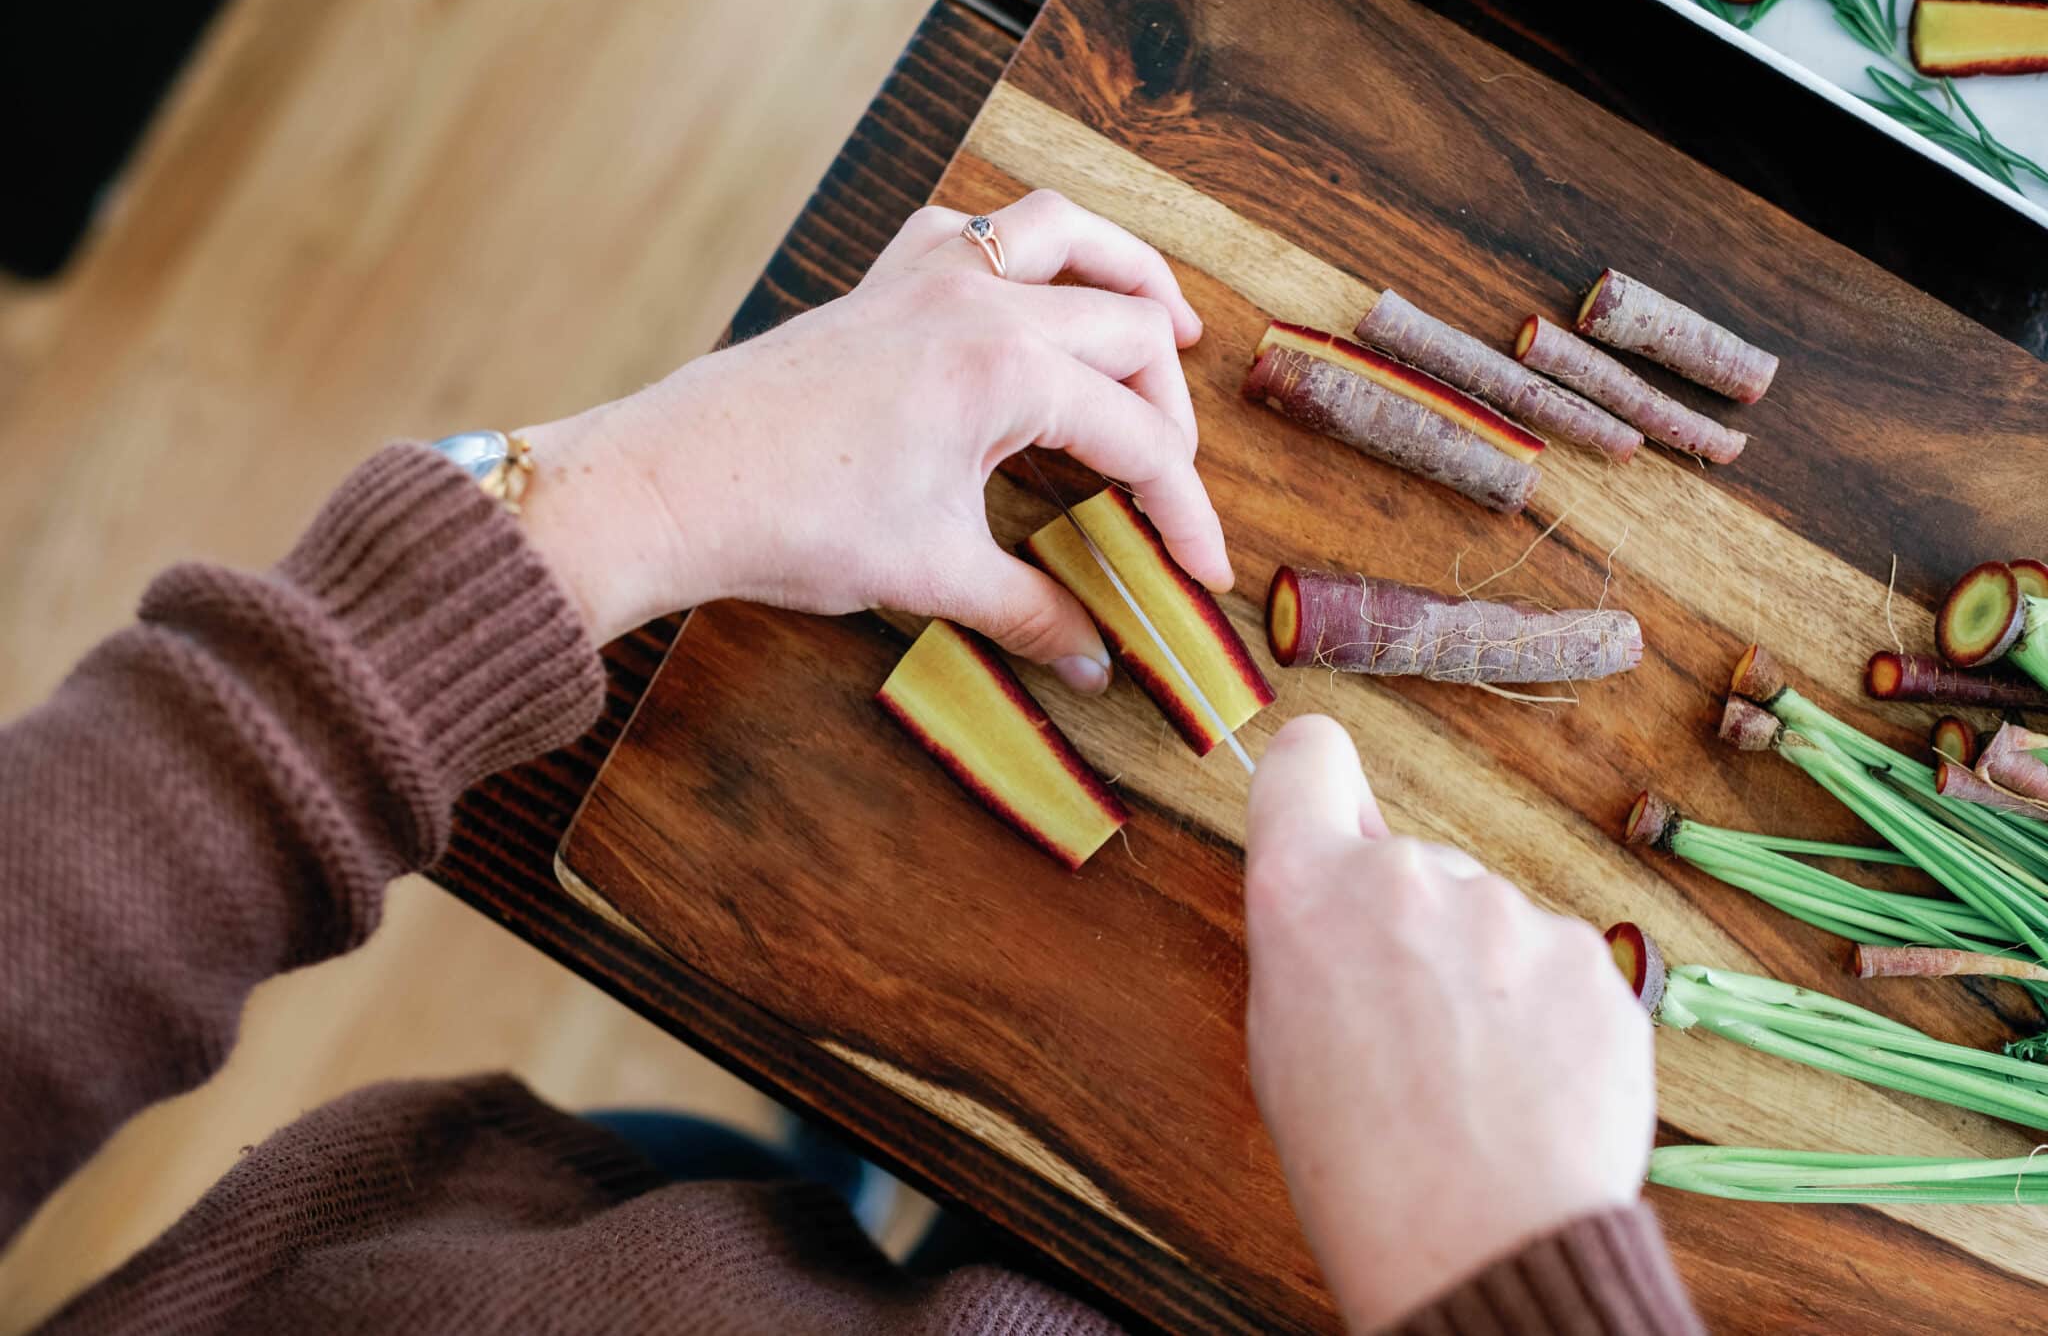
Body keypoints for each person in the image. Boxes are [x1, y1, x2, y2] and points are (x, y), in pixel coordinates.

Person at [0, 190, 1698, 1334]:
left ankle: (840, 1172)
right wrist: (1504, 1276)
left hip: (530, 1252)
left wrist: (646, 491)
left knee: (744, 1168)